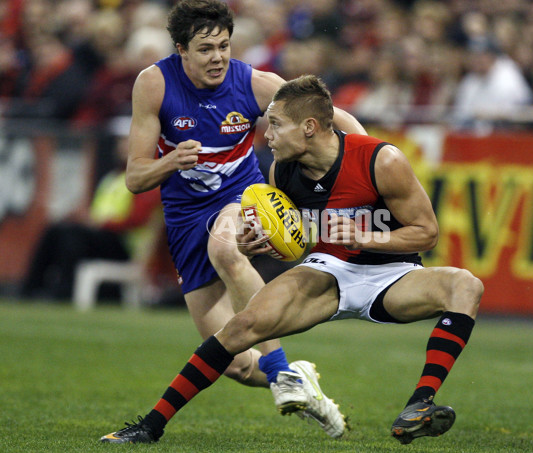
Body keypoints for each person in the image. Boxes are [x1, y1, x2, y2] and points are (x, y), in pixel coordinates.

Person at [101, 74, 483, 445]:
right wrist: (260, 244)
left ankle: (419, 405)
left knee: (465, 285)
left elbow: (426, 232)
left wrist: (366, 236)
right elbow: (297, 240)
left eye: (276, 125)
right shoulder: (280, 172)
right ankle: (150, 426)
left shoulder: (381, 160)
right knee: (241, 327)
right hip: (329, 271)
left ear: (310, 127)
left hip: (392, 275)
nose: (265, 135)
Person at [100, 0, 366, 443]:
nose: (218, 57)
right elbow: (134, 177)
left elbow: (336, 119)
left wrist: (370, 161)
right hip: (184, 220)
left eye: (224, 46)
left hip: (243, 197)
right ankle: (301, 381)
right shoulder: (154, 84)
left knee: (225, 246)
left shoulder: (257, 84)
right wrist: (171, 163)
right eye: (206, 49)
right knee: (238, 365)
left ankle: (282, 374)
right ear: (181, 49)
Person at [20, 116, 162, 300]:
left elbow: (138, 220)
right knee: (56, 230)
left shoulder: (147, 178)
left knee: (72, 238)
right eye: (120, 140)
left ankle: (65, 292)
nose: (121, 145)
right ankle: (31, 289)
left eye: (126, 140)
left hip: (124, 245)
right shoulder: (113, 178)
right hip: (103, 237)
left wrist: (99, 224)